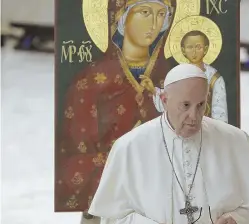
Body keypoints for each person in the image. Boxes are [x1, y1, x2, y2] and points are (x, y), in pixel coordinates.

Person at [88, 63, 249, 224]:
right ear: (165, 100)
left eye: (201, 105)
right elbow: (113, 217)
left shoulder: (234, 141)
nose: (193, 116)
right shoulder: (131, 147)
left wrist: (238, 223)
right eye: (185, 106)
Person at [55, 0, 174, 211]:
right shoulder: (91, 81)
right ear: (121, 16)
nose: (154, 23)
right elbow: (76, 157)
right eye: (145, 12)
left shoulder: (174, 79)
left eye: (161, 14)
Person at [142, 30, 228, 122]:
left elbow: (220, 113)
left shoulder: (214, 79)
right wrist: (153, 90)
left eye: (198, 47)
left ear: (205, 49)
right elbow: (171, 102)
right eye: (190, 47)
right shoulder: (177, 74)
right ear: (183, 50)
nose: (194, 51)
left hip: (206, 128)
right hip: (182, 126)